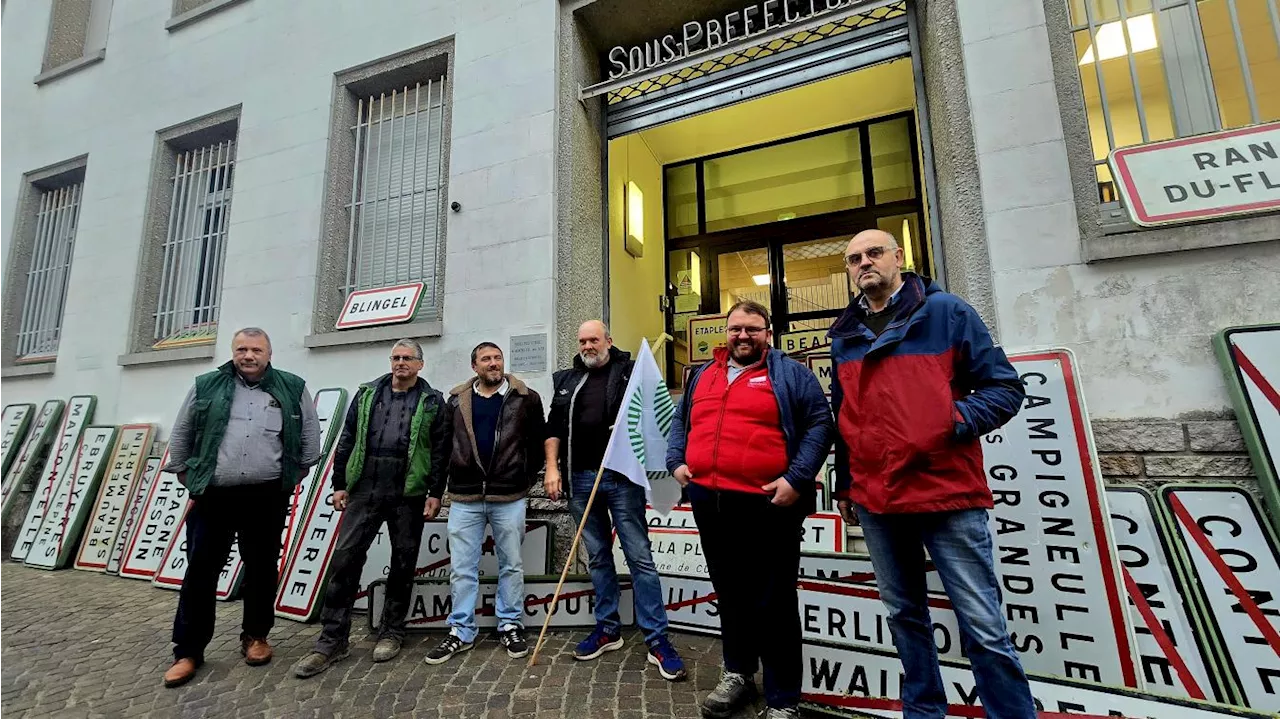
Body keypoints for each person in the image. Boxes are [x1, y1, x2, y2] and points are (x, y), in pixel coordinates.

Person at [829, 229, 1035, 719]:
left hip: (947, 493)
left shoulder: (948, 312)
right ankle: (924, 713)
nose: (865, 263)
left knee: (982, 625)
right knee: (904, 617)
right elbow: (844, 413)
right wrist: (845, 481)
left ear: (899, 257)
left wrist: (949, 422)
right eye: (854, 258)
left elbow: (1004, 389)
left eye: (874, 253)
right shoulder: (844, 333)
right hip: (877, 497)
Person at [666, 301, 833, 719]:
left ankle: (782, 699)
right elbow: (679, 423)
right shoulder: (703, 374)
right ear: (726, 332)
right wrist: (676, 461)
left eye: (753, 329)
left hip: (768, 505)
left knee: (774, 601)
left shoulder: (790, 373)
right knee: (732, 594)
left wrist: (797, 478)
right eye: (736, 328)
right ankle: (737, 672)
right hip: (711, 502)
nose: (743, 336)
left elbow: (820, 423)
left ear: (768, 333)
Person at [161, 328, 321, 688]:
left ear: (269, 353)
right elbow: (181, 433)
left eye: (256, 349)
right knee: (202, 570)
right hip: (215, 496)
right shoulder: (207, 385)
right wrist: (190, 477)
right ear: (233, 352)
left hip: (266, 495)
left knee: (262, 567)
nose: (249, 356)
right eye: (242, 349)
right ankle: (188, 651)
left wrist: (293, 477)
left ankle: (256, 636)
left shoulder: (291, 387)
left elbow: (309, 438)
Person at [292, 339, 449, 678]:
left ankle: (391, 631)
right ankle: (332, 639)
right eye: (395, 357)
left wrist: (436, 491)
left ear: (421, 365)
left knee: (404, 561)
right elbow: (346, 438)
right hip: (364, 488)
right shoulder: (366, 395)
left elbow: (440, 450)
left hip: (408, 491)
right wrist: (339, 484)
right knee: (346, 559)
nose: (400, 363)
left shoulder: (433, 401)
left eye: (408, 358)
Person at [545, 320, 686, 681]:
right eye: (581, 340)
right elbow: (554, 429)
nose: (587, 345)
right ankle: (607, 629)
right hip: (579, 479)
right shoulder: (566, 379)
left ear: (609, 339)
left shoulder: (630, 372)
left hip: (622, 479)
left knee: (639, 557)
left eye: (593, 339)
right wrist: (551, 469)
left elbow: (650, 418)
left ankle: (658, 640)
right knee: (597, 557)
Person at [423, 342, 546, 664]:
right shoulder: (456, 402)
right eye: (486, 359)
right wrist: (437, 490)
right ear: (474, 366)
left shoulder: (526, 399)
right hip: (464, 497)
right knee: (462, 569)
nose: (493, 363)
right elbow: (442, 448)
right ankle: (461, 630)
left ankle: (510, 624)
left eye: (497, 358)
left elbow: (537, 442)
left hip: (509, 496)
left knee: (512, 565)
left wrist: (525, 476)